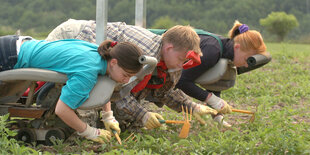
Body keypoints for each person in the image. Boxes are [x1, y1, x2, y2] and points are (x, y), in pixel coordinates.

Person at [45, 19, 220, 131]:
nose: (183, 65)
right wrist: (142, 115)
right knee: (64, 81)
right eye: (182, 60)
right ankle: (53, 117)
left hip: (89, 46)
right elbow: (119, 93)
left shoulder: (165, 59)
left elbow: (163, 91)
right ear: (169, 48)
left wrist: (192, 106)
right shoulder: (144, 55)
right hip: (73, 35)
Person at [0, 35, 143, 143]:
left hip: (16, 44)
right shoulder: (87, 73)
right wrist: (90, 132)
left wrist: (108, 116)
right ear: (114, 62)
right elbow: (62, 110)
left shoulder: (100, 53)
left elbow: (102, 80)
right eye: (126, 75)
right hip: (8, 57)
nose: (126, 81)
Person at [175, 20, 269, 127]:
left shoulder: (224, 51)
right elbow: (181, 80)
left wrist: (217, 116)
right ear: (237, 47)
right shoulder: (213, 51)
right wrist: (212, 100)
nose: (246, 65)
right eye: (247, 59)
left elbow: (213, 84)